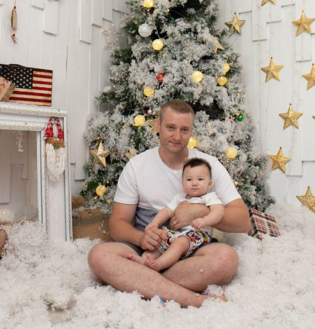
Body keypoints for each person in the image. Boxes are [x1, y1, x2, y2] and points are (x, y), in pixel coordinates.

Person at [87, 99, 251, 307]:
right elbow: (117, 223)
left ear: (191, 131)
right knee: (99, 256)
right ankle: (192, 299)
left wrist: (198, 211)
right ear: (158, 125)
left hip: (191, 251)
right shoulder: (137, 166)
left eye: (184, 130)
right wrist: (142, 237)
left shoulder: (209, 166)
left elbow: (243, 221)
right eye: (170, 128)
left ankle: (136, 280)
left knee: (226, 260)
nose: (177, 136)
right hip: (149, 251)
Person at [127, 158, 224, 272]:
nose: (194, 183)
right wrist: (154, 223)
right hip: (178, 233)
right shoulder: (180, 198)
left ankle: (159, 264)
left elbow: (219, 211)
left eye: (200, 179)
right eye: (189, 179)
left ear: (209, 184)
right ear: (183, 183)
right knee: (161, 237)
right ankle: (144, 260)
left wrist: (205, 221)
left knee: (180, 242)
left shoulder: (209, 198)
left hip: (199, 236)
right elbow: (167, 211)